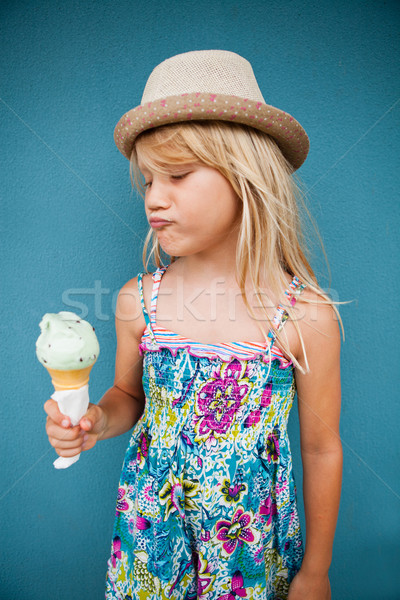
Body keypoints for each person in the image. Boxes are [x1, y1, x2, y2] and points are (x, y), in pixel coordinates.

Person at [44, 50, 343, 600]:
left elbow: (323, 449)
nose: (155, 198)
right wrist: (92, 421)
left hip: (247, 552)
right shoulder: (140, 302)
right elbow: (127, 397)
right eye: (149, 180)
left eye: (178, 175)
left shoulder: (305, 317)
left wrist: (316, 572)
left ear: (246, 180)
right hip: (150, 539)